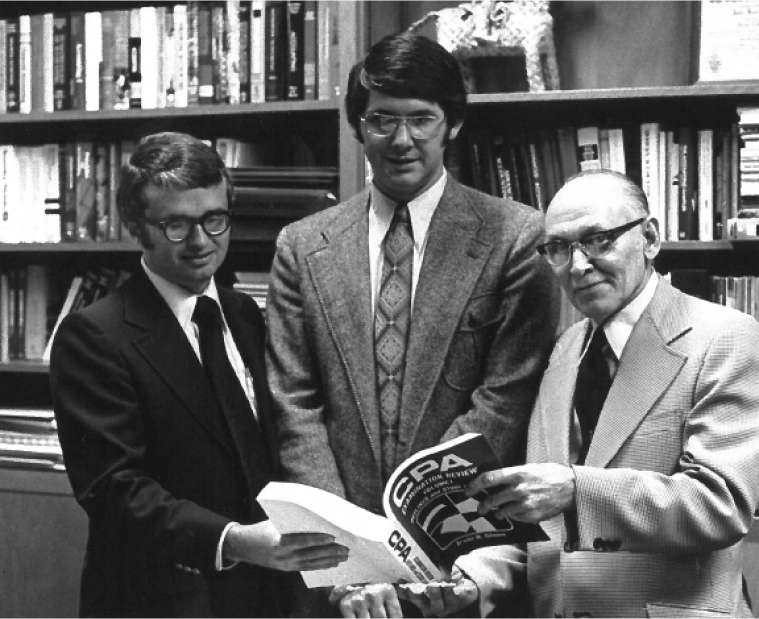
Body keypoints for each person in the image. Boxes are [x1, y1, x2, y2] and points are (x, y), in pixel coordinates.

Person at [265, 33, 558, 617]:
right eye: (382, 121)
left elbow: (505, 400)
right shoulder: (301, 246)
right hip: (336, 570)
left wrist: (412, 543)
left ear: (452, 124)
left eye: (422, 119)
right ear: (358, 126)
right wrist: (350, 552)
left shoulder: (516, 237)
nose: (402, 141)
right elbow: (293, 404)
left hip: (466, 560)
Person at [403, 169, 759, 618]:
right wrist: (474, 576)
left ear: (649, 238)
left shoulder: (725, 337)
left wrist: (576, 490)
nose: (577, 265)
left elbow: (720, 505)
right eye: (557, 249)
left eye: (599, 240)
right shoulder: (563, 351)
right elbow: (544, 526)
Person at [49, 132, 348, 619]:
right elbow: (114, 489)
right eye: (175, 225)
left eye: (214, 220)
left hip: (265, 595)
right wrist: (234, 541)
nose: (200, 242)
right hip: (164, 597)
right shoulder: (94, 336)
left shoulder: (244, 314)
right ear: (134, 226)